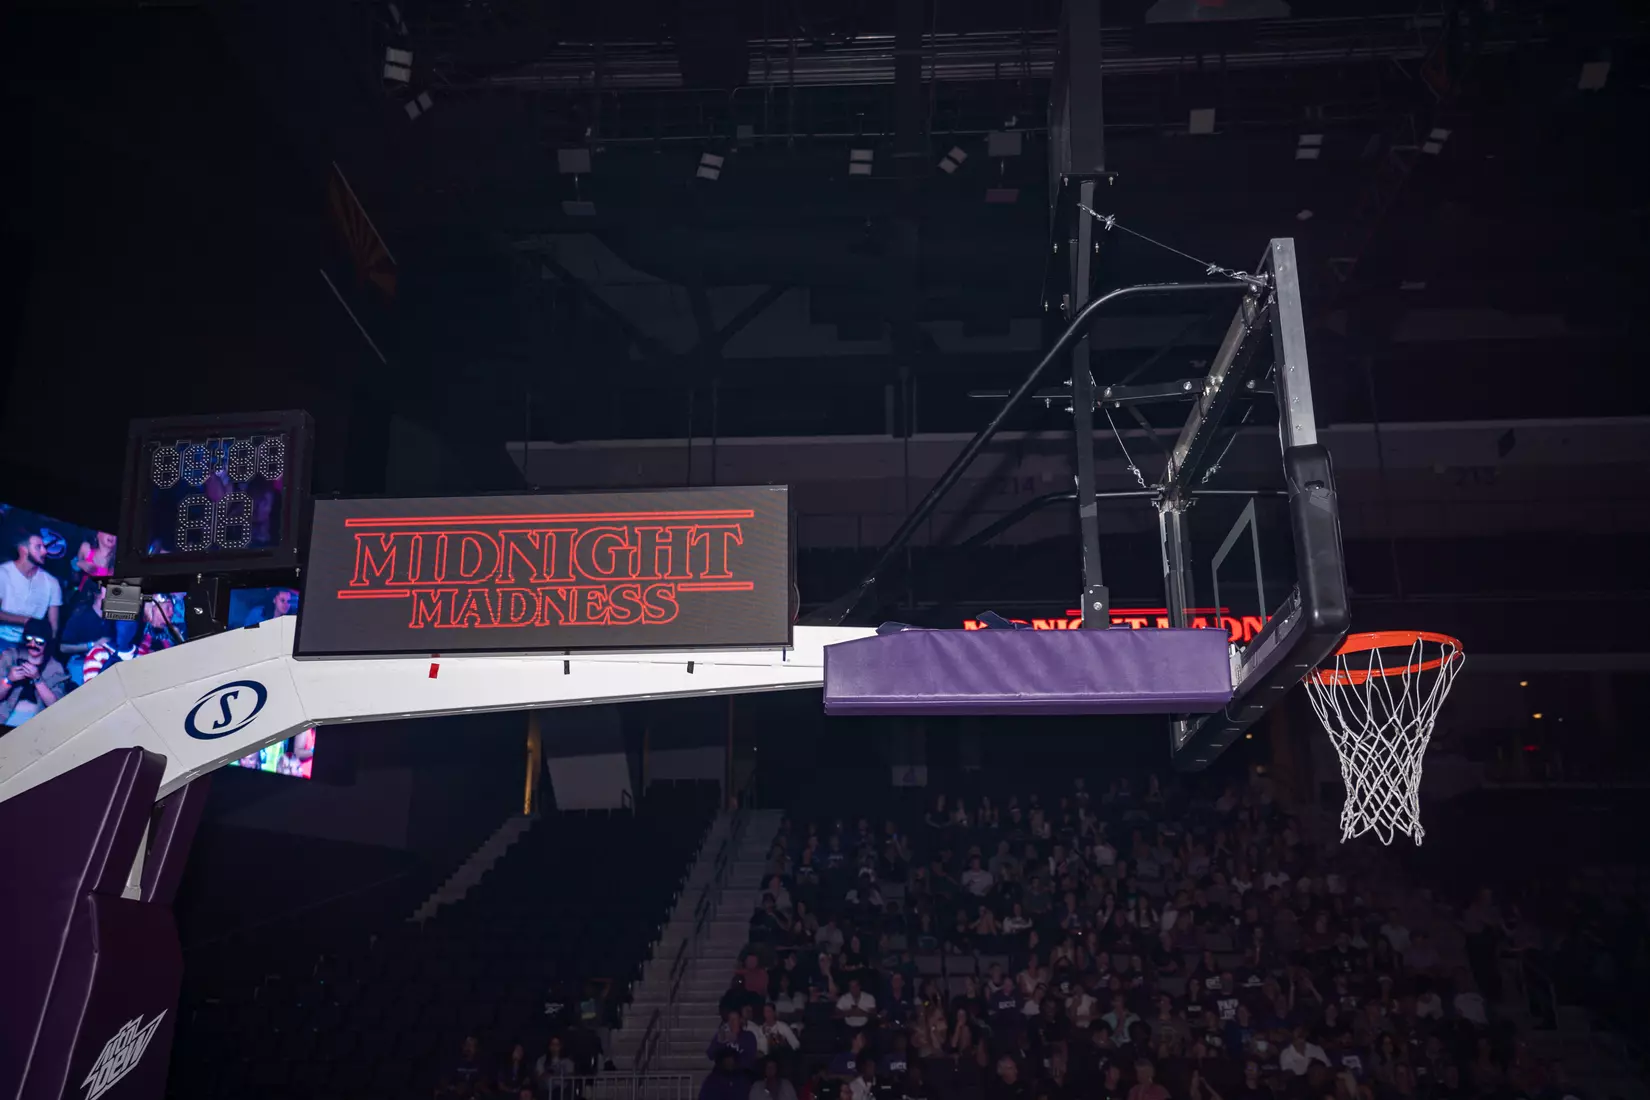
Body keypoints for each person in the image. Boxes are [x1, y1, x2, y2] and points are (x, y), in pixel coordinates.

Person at [0, 620, 68, 726]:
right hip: (4, 718)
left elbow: (56, 706)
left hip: (36, 724)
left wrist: (37, 679)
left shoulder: (55, 668)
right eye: (29, 639)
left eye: (39, 641)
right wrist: (8, 680)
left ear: (47, 643)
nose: (33, 644)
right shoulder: (10, 657)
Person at [0, 531, 61, 645]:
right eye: (38, 547)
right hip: (2, 638)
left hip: (33, 644)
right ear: (23, 550)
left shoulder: (52, 582)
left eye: (44, 547)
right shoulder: (3, 573)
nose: (45, 551)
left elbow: (54, 628)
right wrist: (26, 621)